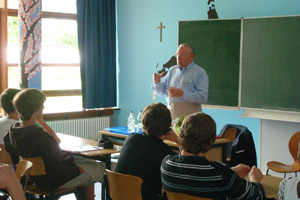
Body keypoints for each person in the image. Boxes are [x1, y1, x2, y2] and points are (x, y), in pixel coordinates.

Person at [4, 88, 105, 200]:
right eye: (42, 105)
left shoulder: (12, 133)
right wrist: (76, 170)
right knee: (104, 168)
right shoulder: (43, 138)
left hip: (34, 178)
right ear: (35, 109)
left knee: (87, 162)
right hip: (51, 183)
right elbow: (57, 174)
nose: (43, 107)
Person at [161, 112, 265, 199]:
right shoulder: (221, 175)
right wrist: (254, 179)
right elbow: (257, 196)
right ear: (211, 142)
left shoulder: (166, 164)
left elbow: (194, 174)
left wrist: (231, 171)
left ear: (181, 135)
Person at [115, 103, 178, 200]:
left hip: (118, 196)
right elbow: (185, 164)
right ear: (168, 127)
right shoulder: (165, 152)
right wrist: (178, 141)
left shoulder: (131, 139)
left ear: (143, 122)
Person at [152, 43, 209, 120]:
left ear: (192, 56)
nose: (178, 58)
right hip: (171, 115)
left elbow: (202, 98)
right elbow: (161, 92)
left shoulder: (199, 73)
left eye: (182, 55)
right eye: (177, 54)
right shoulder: (172, 70)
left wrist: (182, 94)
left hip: (191, 118)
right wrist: (157, 82)